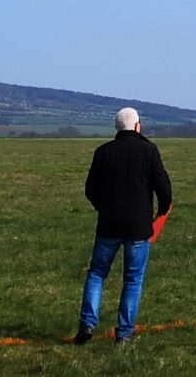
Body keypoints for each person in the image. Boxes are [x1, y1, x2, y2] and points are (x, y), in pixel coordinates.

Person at [73, 106, 172, 345]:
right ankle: (125, 333)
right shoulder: (149, 150)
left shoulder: (103, 152)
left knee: (97, 274)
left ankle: (87, 323)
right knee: (133, 279)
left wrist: (102, 206)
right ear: (137, 126)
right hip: (138, 227)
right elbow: (164, 188)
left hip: (108, 224)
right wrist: (160, 210)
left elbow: (90, 190)